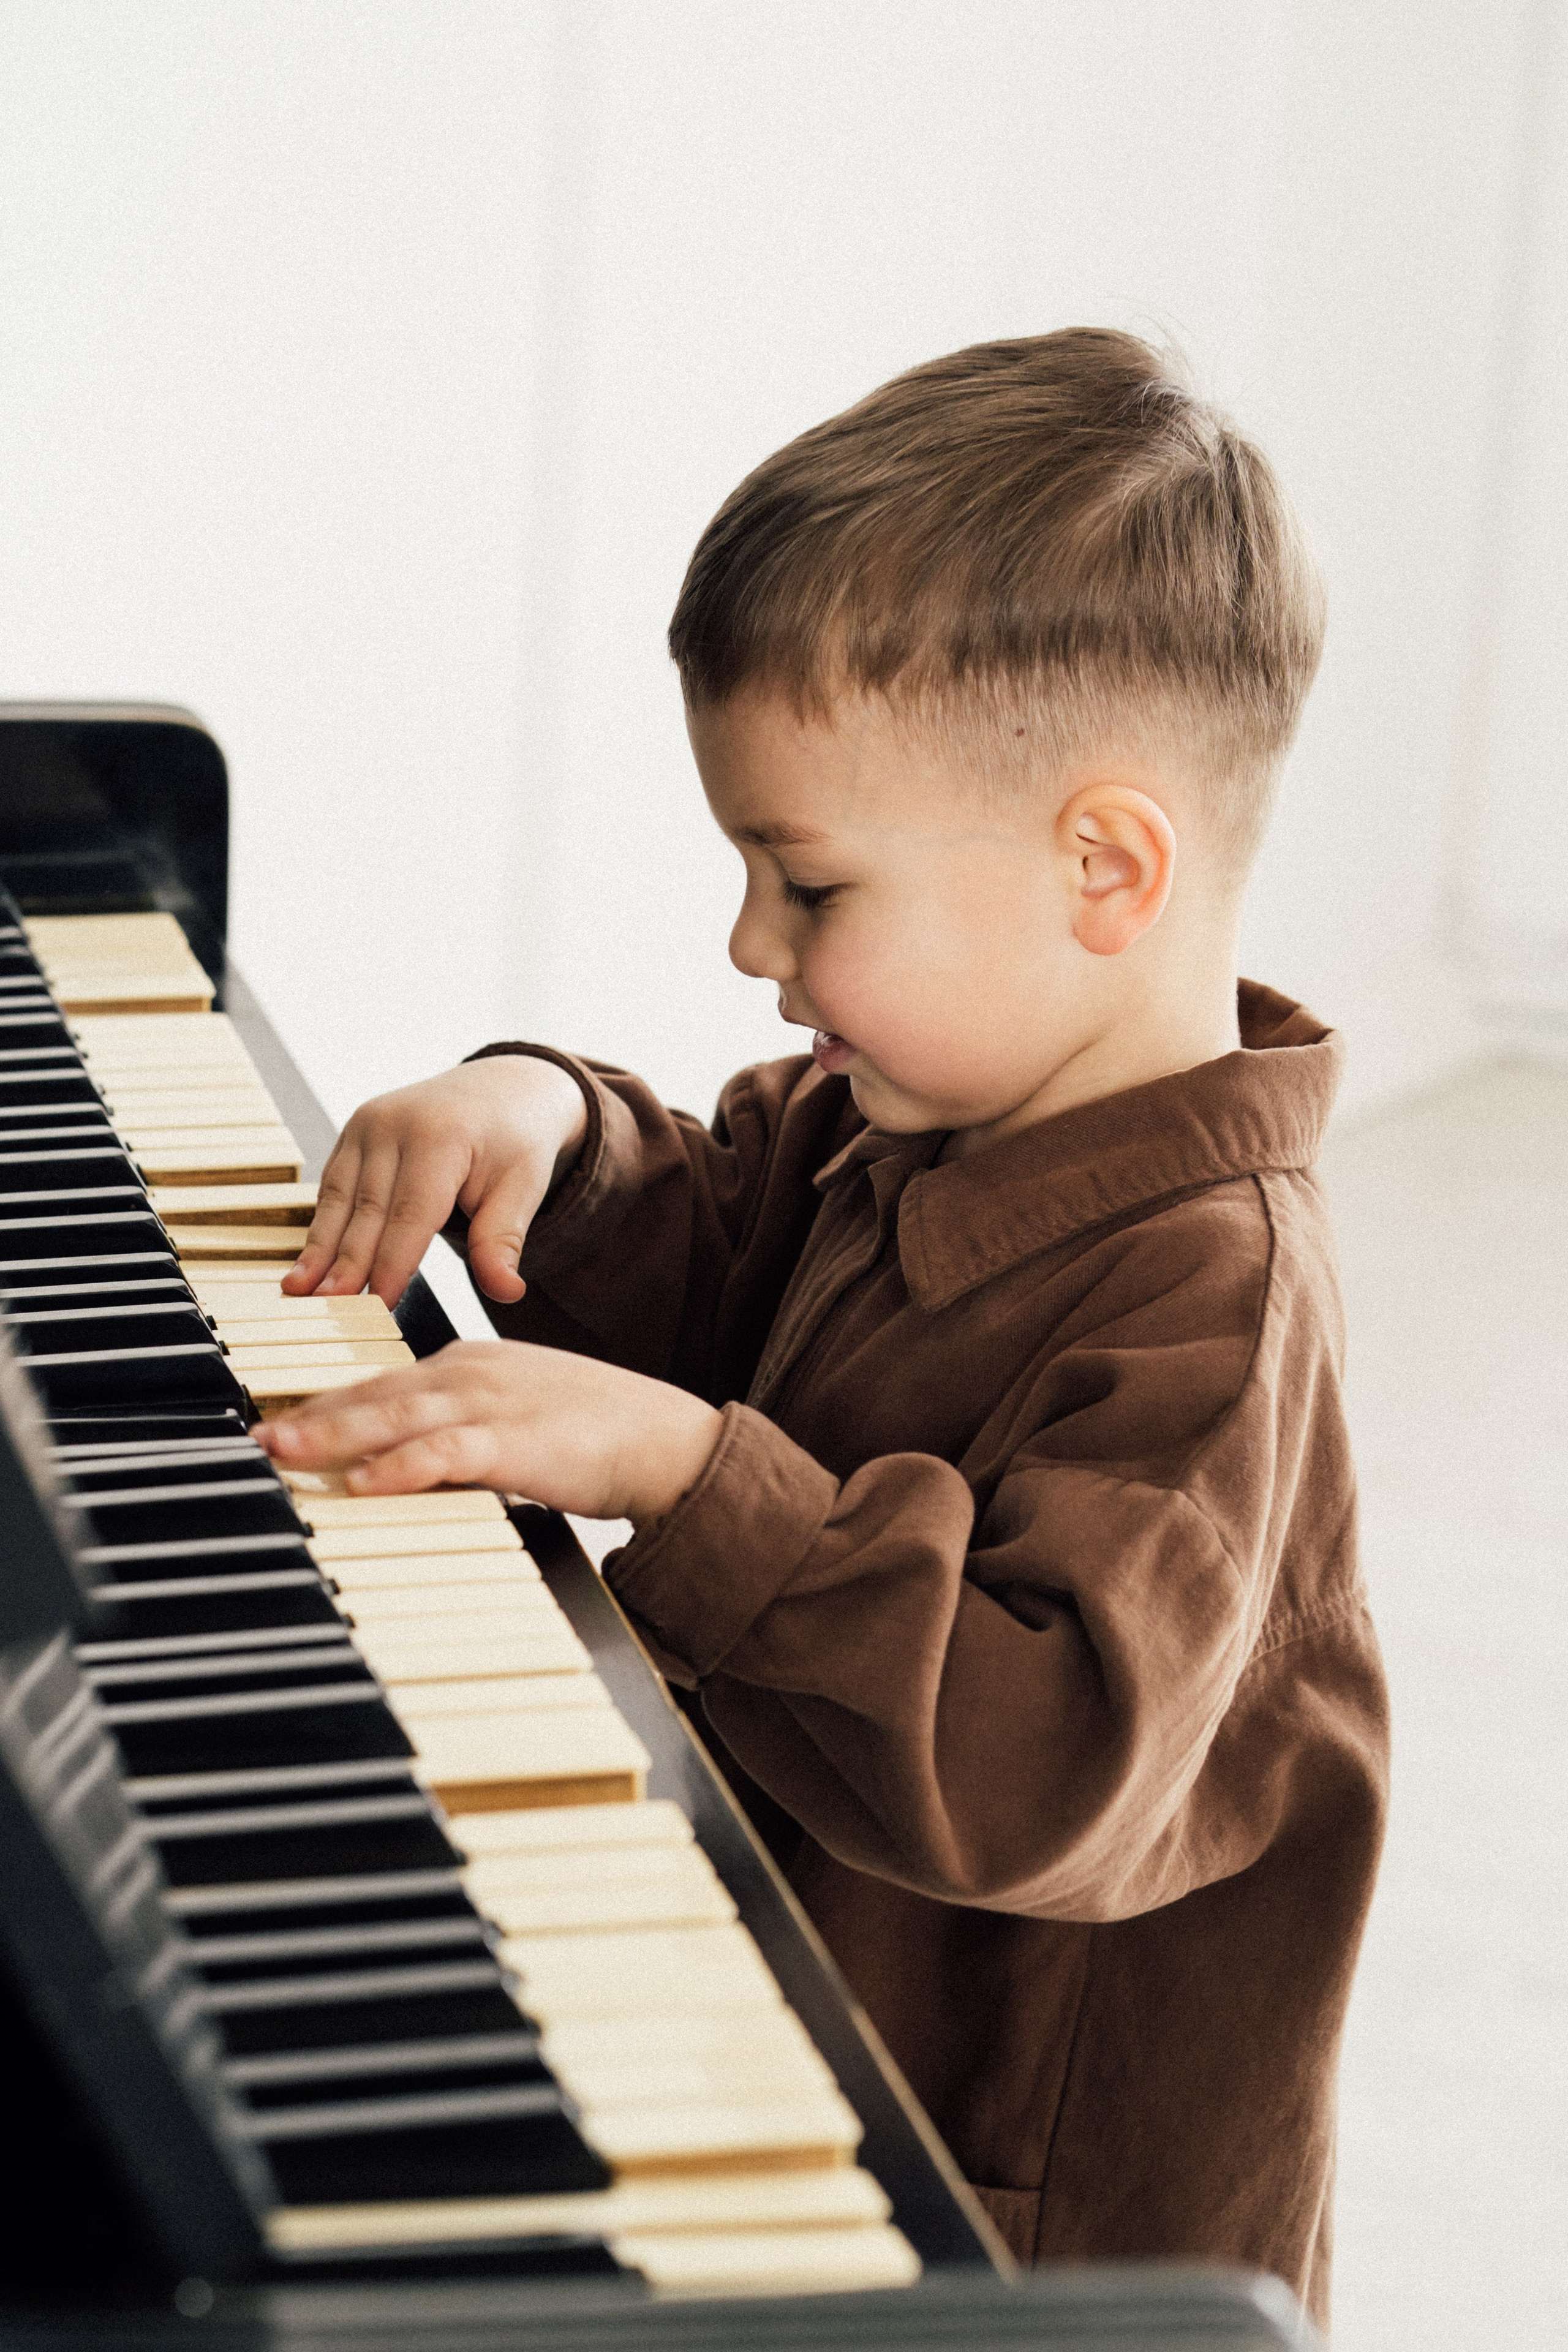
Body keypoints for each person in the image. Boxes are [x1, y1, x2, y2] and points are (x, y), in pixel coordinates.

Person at [257, 330, 1389, 2323]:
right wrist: (548, 1123)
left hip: (1009, 2231)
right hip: (788, 2037)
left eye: (805, 880)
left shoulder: (1219, 1302)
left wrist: (688, 1474)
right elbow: (713, 1241)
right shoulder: (912, 1117)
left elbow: (1041, 1764)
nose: (752, 946)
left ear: (1104, 867)